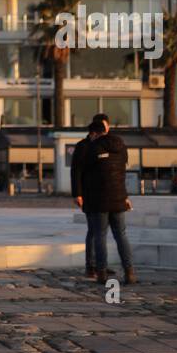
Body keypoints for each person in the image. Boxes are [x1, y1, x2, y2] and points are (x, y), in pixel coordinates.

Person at [75, 113, 137, 285]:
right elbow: (122, 172)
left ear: (95, 134)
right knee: (121, 235)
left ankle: (101, 273)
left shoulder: (92, 149)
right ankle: (129, 272)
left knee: (100, 235)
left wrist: (82, 193)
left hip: (98, 200)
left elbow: (82, 171)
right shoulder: (121, 146)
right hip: (118, 198)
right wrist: (124, 196)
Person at [70, 116, 109, 279]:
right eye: (105, 127)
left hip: (104, 194)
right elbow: (76, 171)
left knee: (101, 231)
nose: (107, 131)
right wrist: (77, 193)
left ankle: (100, 265)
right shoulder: (83, 146)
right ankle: (91, 265)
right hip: (88, 194)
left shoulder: (105, 144)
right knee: (94, 230)